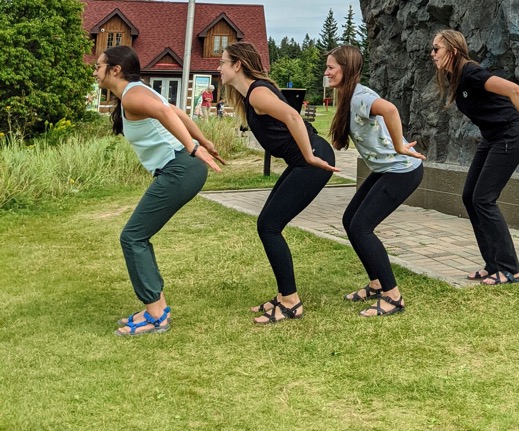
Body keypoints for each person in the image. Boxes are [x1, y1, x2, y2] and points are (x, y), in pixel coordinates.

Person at [94, 45, 223, 336]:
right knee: (138, 235)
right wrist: (204, 141)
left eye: (98, 66)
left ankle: (156, 316)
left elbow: (166, 113)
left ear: (115, 70)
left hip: (180, 167)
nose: (95, 71)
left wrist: (194, 146)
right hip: (180, 167)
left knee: (132, 236)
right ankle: (157, 307)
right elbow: (176, 111)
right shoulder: (138, 92)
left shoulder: (134, 95)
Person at [219, 42, 338, 325]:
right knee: (267, 224)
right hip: (304, 161)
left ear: (238, 65)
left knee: (269, 226)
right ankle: (285, 295)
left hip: (313, 159)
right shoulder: (249, 95)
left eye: (223, 61)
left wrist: (308, 154)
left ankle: (291, 302)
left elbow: (292, 116)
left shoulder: (258, 92)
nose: (219, 67)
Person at [431, 30, 519, 285]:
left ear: (451, 49)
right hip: (493, 137)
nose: (432, 54)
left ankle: (509, 268)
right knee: (470, 196)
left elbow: (515, 91)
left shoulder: (471, 73)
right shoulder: (456, 77)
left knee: (483, 199)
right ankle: (492, 263)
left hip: (510, 135)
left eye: (436, 49)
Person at [324, 45, 425, 317]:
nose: (327, 72)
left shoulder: (360, 97)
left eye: (331, 67)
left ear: (346, 68)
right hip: (386, 170)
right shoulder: (348, 98)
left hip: (402, 170)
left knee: (361, 227)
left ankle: (393, 297)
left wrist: (399, 145)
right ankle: (377, 283)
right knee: (350, 221)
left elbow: (390, 110)